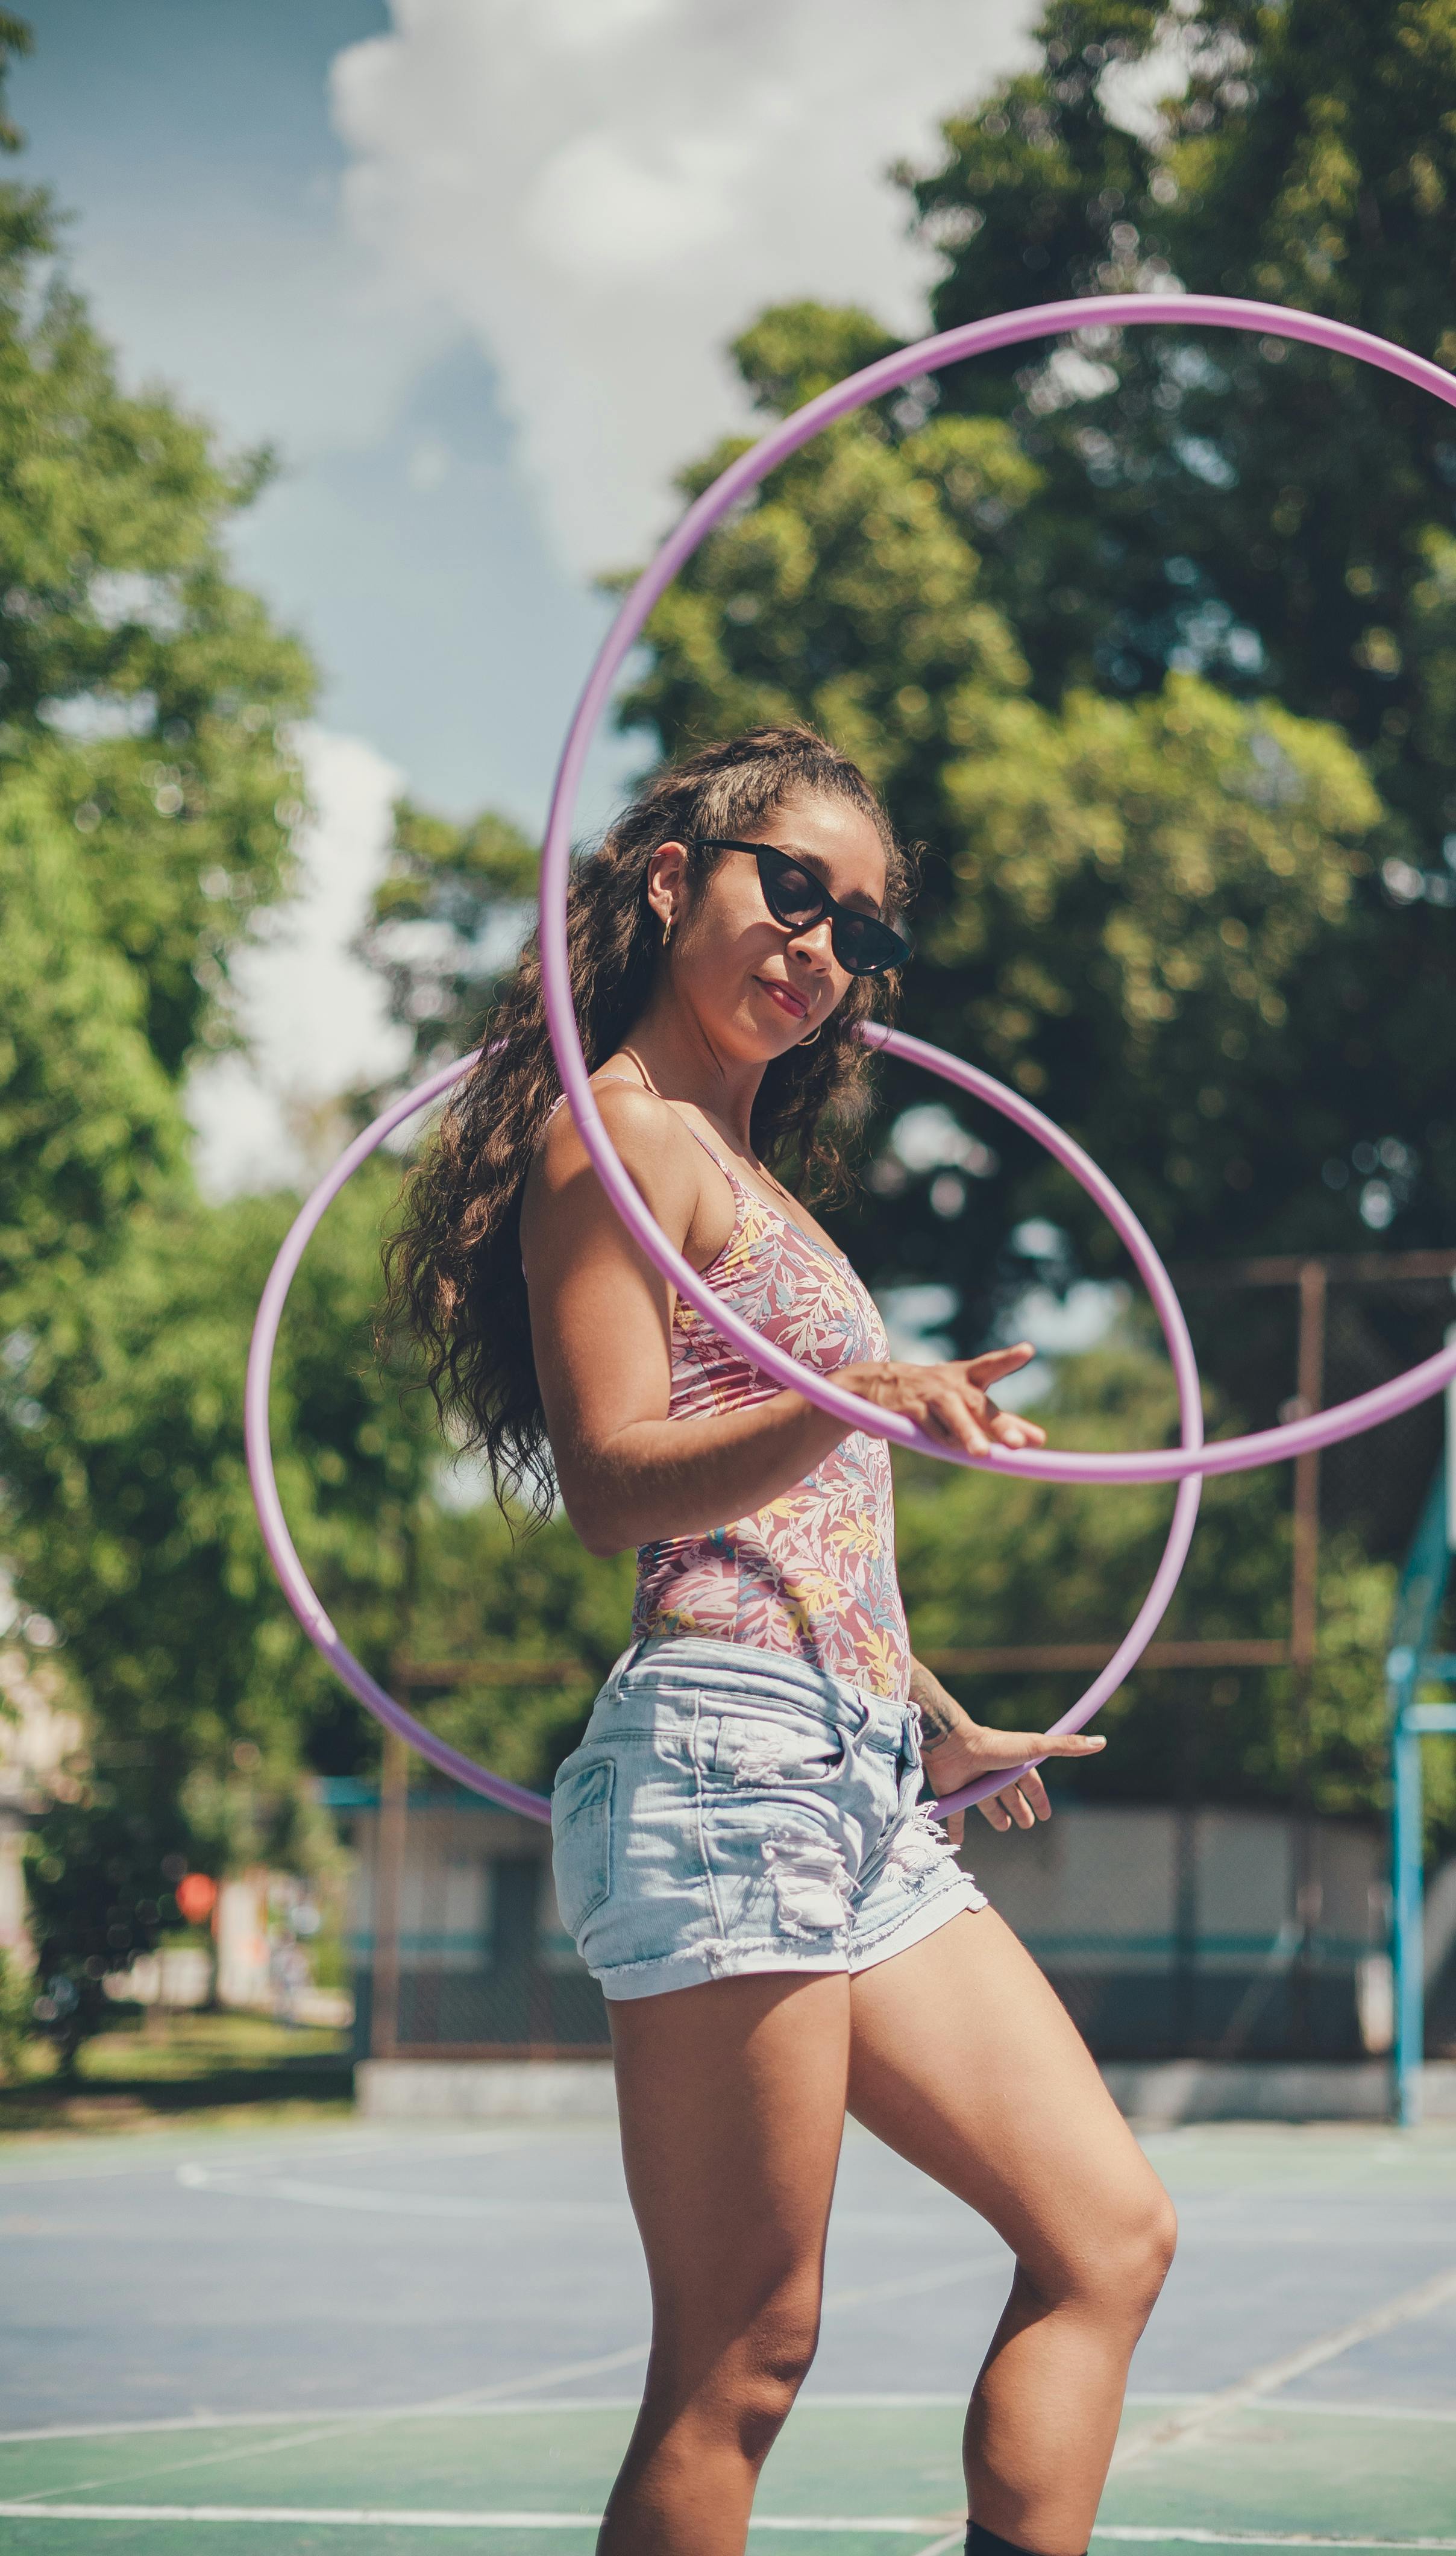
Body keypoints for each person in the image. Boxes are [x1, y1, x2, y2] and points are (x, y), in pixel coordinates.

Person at [388, 726, 1176, 2556]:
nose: (820, 947)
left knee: (1108, 2236)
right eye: (791, 888)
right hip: (724, 1765)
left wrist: (944, 1716)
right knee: (746, 2354)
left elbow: (782, 1530)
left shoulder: (760, 1181)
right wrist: (852, 1396)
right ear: (677, 880)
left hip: (855, 1772)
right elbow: (614, 1489)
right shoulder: (620, 1146)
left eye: (863, 934)